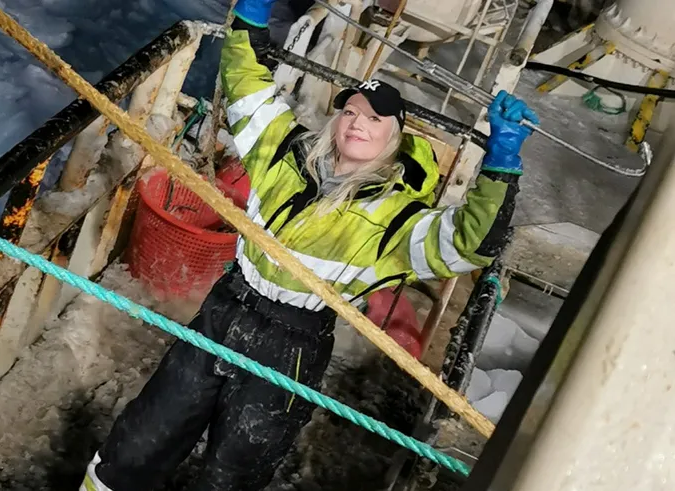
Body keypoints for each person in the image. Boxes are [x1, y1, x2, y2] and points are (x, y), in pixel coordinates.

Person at [79, 0, 537, 489]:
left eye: (375, 120)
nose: (358, 123)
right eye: (352, 112)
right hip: (226, 308)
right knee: (145, 433)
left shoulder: (399, 217)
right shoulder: (285, 153)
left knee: (234, 470)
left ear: (394, 141)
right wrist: (250, 22)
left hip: (292, 346)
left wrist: (501, 164)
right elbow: (247, 86)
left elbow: (469, 245)